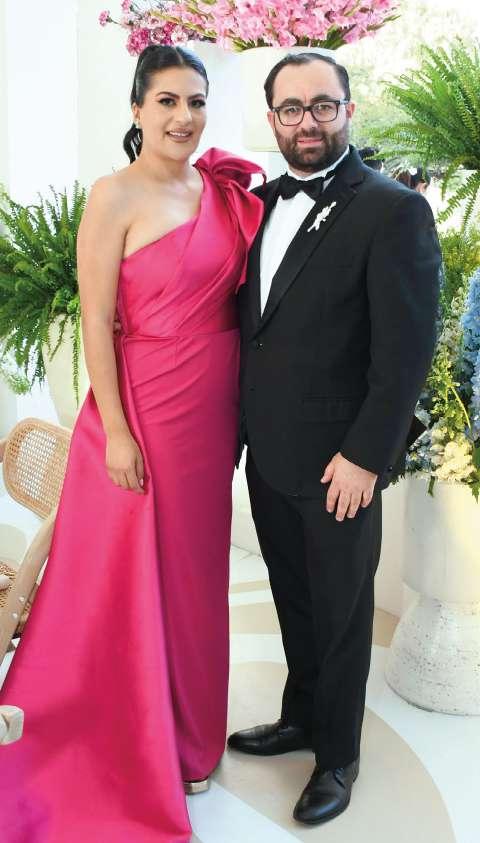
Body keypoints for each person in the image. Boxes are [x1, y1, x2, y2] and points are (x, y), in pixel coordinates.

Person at [0, 45, 263, 842]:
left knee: (194, 572)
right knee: (124, 577)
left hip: (210, 410)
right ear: (138, 109)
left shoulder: (220, 191)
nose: (185, 116)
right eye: (168, 101)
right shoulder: (112, 196)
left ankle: (190, 737)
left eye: (196, 101)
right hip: (140, 409)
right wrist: (115, 429)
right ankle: (129, 737)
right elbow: (96, 321)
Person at [228, 52, 441, 826]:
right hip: (270, 452)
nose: (307, 121)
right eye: (291, 108)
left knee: (344, 612)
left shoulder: (392, 210)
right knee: (294, 597)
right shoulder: (257, 204)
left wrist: (364, 457)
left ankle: (338, 756)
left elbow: (405, 353)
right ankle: (301, 715)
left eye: (323, 105)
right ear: (272, 118)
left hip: (340, 463)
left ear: (348, 109)